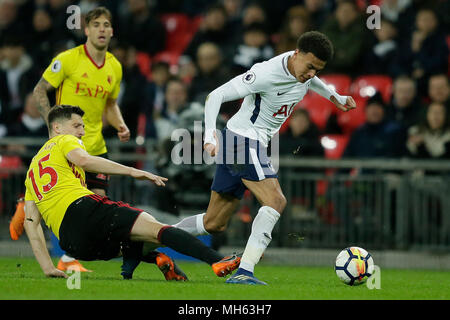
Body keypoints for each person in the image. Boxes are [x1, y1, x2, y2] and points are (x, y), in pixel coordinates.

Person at [172, 31, 356, 285]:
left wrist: (334, 97)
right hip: (243, 140)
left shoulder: (302, 71)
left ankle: (154, 237)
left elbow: (311, 81)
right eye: (311, 66)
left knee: (213, 222)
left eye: (318, 69)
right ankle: (245, 272)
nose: (312, 73)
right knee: (276, 200)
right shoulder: (266, 73)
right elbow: (215, 96)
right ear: (296, 54)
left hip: (239, 141)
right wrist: (209, 137)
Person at [23, 104, 240, 280]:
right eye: (77, 125)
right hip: (83, 210)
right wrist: (133, 171)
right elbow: (84, 160)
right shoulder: (64, 140)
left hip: (73, 244)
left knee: (135, 238)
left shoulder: (33, 168)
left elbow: (31, 223)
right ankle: (215, 260)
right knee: (156, 228)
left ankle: (155, 259)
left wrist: (48, 267)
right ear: (57, 128)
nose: (82, 131)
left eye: (83, 126)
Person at [9, 7, 130, 273]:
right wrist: (53, 126)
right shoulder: (67, 59)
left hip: (95, 145)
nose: (101, 29)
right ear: (86, 30)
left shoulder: (115, 66)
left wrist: (120, 123)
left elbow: (110, 103)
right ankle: (30, 206)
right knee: (65, 203)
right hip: (66, 145)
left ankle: (66, 258)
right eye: (95, 24)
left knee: (96, 209)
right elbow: (40, 90)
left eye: (106, 25)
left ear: (112, 31)